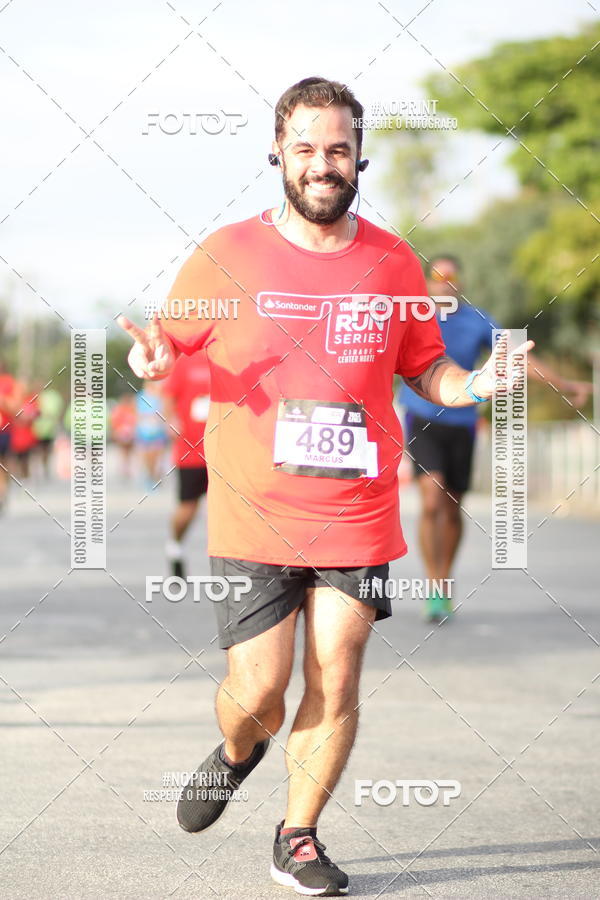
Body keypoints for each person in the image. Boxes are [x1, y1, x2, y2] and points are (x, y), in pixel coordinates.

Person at [119, 77, 535, 897]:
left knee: (337, 674)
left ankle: (298, 837)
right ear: (277, 155)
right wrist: (153, 360)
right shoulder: (227, 253)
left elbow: (429, 368)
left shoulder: (392, 260)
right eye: (305, 148)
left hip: (357, 513)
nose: (322, 164)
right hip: (253, 512)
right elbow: (162, 344)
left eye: (337, 149)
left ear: (359, 158)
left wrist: (477, 384)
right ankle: (241, 751)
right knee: (259, 691)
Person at [400, 255, 593, 622]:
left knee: (452, 504)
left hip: (463, 423)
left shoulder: (478, 319)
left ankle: (444, 582)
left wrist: (564, 385)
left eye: (451, 275)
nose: (444, 281)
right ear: (428, 281)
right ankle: (432, 584)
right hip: (422, 417)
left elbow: (516, 358)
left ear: (460, 281)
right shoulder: (415, 314)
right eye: (437, 275)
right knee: (431, 498)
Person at [161, 350, 211, 578]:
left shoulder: (230, 353)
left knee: (228, 509)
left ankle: (233, 563)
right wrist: (170, 420)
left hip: (225, 451)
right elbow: (168, 396)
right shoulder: (187, 361)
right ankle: (175, 545)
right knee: (188, 507)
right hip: (191, 450)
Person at [134, 380, 168, 491]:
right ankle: (150, 476)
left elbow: (165, 412)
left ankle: (156, 476)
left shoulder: (161, 396)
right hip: (144, 431)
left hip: (158, 431)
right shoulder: (141, 396)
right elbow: (137, 413)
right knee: (146, 456)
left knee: (157, 455)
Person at [32, 383, 64, 478]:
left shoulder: (53, 396)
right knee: (39, 450)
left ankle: (45, 467)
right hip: (38, 430)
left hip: (48, 429)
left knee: (46, 450)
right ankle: (40, 467)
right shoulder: (37, 396)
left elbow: (58, 410)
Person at [0, 361, 19, 511]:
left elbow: (16, 407)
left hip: (3, 430)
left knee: (2, 464)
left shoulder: (9, 383)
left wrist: (3, 400)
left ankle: (2, 493)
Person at [109, 393, 137, 480]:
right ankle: (124, 468)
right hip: (121, 434)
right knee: (124, 451)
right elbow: (114, 422)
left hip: (130, 434)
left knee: (128, 451)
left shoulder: (132, 409)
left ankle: (127, 467)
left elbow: (135, 421)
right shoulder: (119, 410)